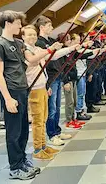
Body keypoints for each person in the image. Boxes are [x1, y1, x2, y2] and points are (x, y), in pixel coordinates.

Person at [0, 11, 39, 180]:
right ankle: (15, 167)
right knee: (14, 132)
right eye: (18, 23)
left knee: (24, 130)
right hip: (11, 92)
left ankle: (22, 160)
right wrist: (7, 98)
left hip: (22, 89)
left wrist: (49, 50)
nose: (20, 26)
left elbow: (32, 61)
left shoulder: (19, 42)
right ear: (8, 23)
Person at [22, 25, 76, 160]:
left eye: (34, 34)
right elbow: (32, 60)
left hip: (42, 87)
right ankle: (37, 149)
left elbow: (54, 55)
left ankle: (44, 146)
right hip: (33, 89)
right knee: (38, 121)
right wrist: (49, 49)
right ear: (23, 37)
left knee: (44, 118)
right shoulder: (24, 50)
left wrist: (72, 48)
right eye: (29, 35)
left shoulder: (37, 49)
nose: (33, 37)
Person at [35, 16, 72, 146]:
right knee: (51, 108)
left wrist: (71, 48)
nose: (51, 28)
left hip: (57, 76)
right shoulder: (39, 43)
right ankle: (51, 134)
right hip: (49, 78)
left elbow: (57, 55)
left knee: (56, 107)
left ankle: (56, 131)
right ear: (42, 27)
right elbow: (49, 57)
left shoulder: (50, 40)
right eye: (49, 26)